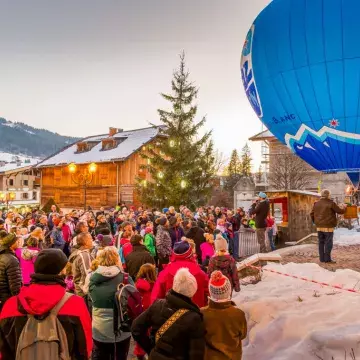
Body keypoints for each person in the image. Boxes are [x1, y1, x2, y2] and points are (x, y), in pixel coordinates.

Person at [0, 249, 92, 359]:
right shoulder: (75, 303)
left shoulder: (11, 305)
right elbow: (85, 347)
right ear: (61, 271)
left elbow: (3, 348)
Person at [131, 267, 205, 360]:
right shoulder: (195, 318)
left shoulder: (157, 305)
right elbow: (196, 355)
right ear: (193, 290)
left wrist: (151, 349)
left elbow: (135, 327)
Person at [89, 247, 133, 360]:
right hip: (122, 329)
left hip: (99, 330)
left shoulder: (92, 279)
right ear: (117, 259)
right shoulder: (126, 278)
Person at [201, 271, 247, 360]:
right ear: (228, 290)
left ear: (211, 292)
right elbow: (243, 335)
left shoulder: (202, 314)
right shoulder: (238, 314)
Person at [151, 240, 209, 308]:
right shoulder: (200, 273)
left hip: (172, 314)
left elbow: (155, 298)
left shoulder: (164, 273)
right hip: (196, 313)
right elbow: (208, 294)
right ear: (190, 253)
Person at [310, 189, 347, 263]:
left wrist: (315, 222)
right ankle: (327, 259)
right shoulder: (331, 203)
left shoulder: (316, 203)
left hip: (319, 226)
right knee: (328, 242)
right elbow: (340, 211)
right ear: (328, 195)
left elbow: (311, 214)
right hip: (328, 226)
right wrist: (345, 207)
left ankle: (322, 259)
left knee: (321, 242)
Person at [133, 263, 157, 360]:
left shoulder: (137, 285)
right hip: (153, 313)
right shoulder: (155, 285)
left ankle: (140, 353)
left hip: (140, 313)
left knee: (141, 334)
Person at [0, 231, 22, 312]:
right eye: (16, 241)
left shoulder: (2, 255)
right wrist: (17, 301)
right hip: (6, 298)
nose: (18, 242)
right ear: (11, 244)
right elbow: (15, 285)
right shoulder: (11, 259)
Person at [70, 232, 94, 298]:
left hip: (80, 290)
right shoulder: (84, 255)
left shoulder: (81, 253)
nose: (92, 240)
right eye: (90, 238)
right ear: (85, 242)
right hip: (84, 292)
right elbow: (88, 275)